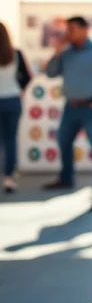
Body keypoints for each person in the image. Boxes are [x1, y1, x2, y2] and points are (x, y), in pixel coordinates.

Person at [42, 15, 92, 210]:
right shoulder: (66, 53)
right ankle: (66, 178)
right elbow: (51, 73)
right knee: (63, 140)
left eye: (72, 29)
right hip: (71, 107)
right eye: (67, 30)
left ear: (85, 29)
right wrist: (57, 52)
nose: (69, 34)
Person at [0, 21, 31, 193]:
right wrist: (19, 89)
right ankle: (9, 177)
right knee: (10, 140)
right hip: (12, 100)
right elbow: (27, 76)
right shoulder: (15, 53)